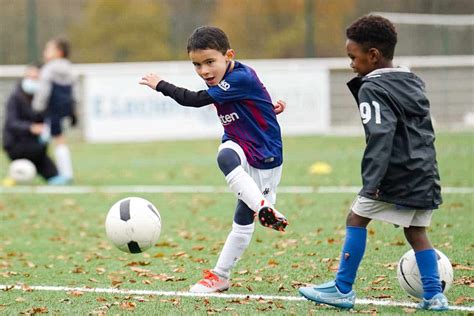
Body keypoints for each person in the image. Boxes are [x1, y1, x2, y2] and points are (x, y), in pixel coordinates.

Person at [299, 15, 448, 311]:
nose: (351, 64)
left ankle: (342, 288)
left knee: (356, 218)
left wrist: (372, 182)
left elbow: (381, 136)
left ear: (373, 55)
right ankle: (434, 294)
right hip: (425, 174)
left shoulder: (372, 88)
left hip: (394, 173)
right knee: (416, 231)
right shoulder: (413, 81)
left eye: (353, 57)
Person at [140, 26, 288, 293]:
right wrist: (272, 107)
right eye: (197, 65)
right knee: (225, 156)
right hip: (238, 143)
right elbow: (261, 96)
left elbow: (194, 100)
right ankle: (258, 212)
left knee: (242, 221)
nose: (204, 71)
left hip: (266, 154)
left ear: (228, 55)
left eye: (210, 62)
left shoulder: (240, 77)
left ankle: (223, 272)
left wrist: (160, 85)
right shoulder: (229, 76)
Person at [2, 64, 68, 185]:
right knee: (38, 152)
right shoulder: (15, 97)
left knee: (54, 175)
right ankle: (16, 174)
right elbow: (11, 123)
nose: (32, 80)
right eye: (30, 77)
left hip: (36, 145)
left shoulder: (43, 98)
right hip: (16, 144)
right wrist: (30, 128)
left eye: (35, 77)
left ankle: (16, 175)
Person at [32, 38, 76, 183]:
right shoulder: (69, 68)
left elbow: (43, 91)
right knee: (58, 138)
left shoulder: (48, 69)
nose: (45, 52)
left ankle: (65, 174)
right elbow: (74, 91)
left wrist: (37, 108)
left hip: (53, 109)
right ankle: (62, 173)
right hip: (66, 109)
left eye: (48, 49)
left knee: (58, 140)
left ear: (58, 52)